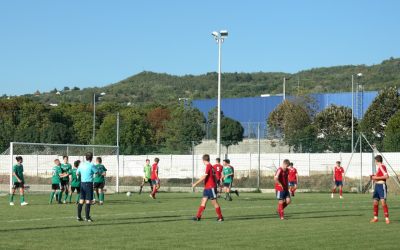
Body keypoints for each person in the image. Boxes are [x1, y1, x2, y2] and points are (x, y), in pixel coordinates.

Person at [190, 154, 224, 222]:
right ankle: (198, 217)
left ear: (203, 160)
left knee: (215, 203)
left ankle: (220, 217)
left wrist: (196, 183)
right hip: (207, 187)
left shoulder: (207, 166)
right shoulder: (211, 166)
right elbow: (214, 177)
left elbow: (204, 177)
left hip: (211, 187)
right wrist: (216, 184)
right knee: (203, 201)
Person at [76, 152, 99, 222]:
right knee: (88, 200)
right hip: (88, 184)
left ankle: (79, 217)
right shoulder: (91, 165)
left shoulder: (81, 165)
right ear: (91, 158)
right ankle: (87, 217)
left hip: (82, 184)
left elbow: (77, 173)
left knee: (81, 200)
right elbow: (97, 173)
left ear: (86, 157)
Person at [370, 155, 390, 224]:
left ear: (376, 161)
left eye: (375, 160)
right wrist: (374, 177)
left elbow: (386, 176)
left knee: (383, 202)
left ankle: (387, 219)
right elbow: (379, 177)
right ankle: (375, 218)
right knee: (375, 202)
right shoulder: (379, 168)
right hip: (377, 186)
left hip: (382, 186)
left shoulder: (382, 167)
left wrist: (376, 178)